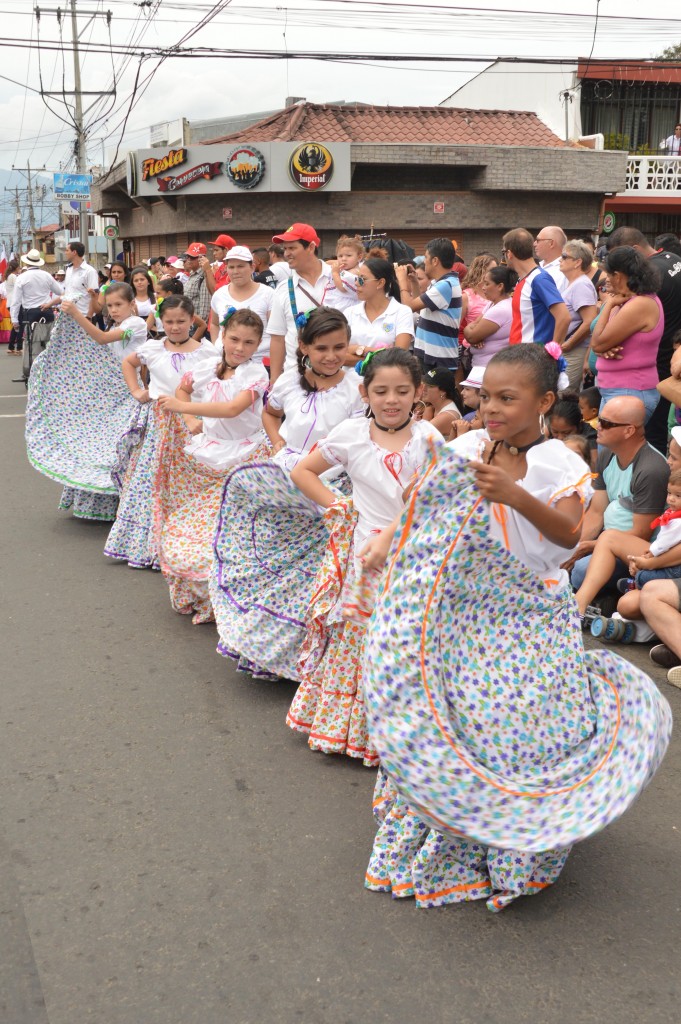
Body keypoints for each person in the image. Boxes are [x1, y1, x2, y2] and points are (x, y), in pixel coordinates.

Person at [359, 343, 671, 912]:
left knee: (522, 724)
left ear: (545, 402)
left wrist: (516, 496)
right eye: (487, 395)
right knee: (460, 716)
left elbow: (567, 535)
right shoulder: (471, 445)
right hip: (469, 609)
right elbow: (423, 499)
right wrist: (387, 539)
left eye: (510, 397)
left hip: (531, 610)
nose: (493, 408)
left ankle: (520, 839)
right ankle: (454, 828)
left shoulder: (561, 463)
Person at [286, 348, 442, 765]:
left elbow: (437, 499)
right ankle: (348, 731)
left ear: (418, 393)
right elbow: (303, 471)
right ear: (365, 393)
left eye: (402, 391)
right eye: (381, 391)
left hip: (415, 556)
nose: (391, 400)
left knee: (406, 643)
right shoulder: (351, 434)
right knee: (361, 640)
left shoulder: (430, 439)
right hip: (364, 554)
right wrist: (339, 507)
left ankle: (400, 736)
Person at [209, 306, 365, 681]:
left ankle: (306, 661)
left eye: (339, 347)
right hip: (284, 488)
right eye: (322, 347)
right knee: (276, 574)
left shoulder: (357, 387)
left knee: (310, 579)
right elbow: (270, 413)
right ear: (306, 347)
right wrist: (279, 443)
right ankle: (264, 652)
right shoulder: (287, 382)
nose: (331, 356)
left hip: (332, 489)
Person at [153, 309, 270, 624]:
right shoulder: (205, 366)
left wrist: (184, 407)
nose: (239, 347)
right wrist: (191, 421)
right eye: (234, 339)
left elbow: (233, 409)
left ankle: (227, 599)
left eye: (249, 342)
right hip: (207, 455)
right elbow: (183, 388)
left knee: (231, 534)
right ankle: (201, 596)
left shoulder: (256, 374)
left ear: (258, 344)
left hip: (245, 456)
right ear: (223, 335)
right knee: (194, 528)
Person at [103, 296, 218, 569]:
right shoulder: (152, 348)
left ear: (192, 321)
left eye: (181, 321)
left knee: (190, 481)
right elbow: (129, 363)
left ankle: (189, 544)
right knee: (153, 481)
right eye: (169, 321)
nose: (175, 327)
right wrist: (136, 391)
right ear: (160, 322)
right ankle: (149, 545)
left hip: (195, 423)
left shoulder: (209, 352)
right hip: (160, 423)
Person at [25, 282, 140, 521]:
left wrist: (76, 314)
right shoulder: (118, 323)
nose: (114, 309)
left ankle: (126, 501)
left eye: (119, 304)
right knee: (104, 443)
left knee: (118, 448)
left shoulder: (135, 324)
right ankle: (104, 502)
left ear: (132, 304)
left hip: (131, 391)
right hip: (116, 390)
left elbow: (100, 339)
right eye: (110, 306)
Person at [563, 396, 669, 593]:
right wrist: (574, 548)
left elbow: (641, 534)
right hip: (606, 540)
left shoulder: (650, 468)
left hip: (639, 552)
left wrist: (588, 547)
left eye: (605, 423)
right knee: (561, 556)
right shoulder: (607, 454)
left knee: (580, 571)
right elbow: (596, 512)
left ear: (629, 430)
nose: (597, 427)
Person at [606, 227, 681, 453]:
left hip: (656, 364)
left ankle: (655, 482)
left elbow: (623, 324)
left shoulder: (648, 278)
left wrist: (607, 342)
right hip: (669, 358)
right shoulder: (674, 259)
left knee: (653, 433)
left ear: (634, 251)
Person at [591, 246, 663, 423]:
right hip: (618, 389)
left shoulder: (640, 303)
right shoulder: (626, 300)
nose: (606, 280)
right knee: (608, 450)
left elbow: (598, 343)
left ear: (619, 276)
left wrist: (608, 304)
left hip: (629, 390)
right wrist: (602, 349)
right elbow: (601, 344)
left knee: (615, 450)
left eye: (608, 275)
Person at [268, 223, 333, 382]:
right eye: (285, 249)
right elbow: (277, 339)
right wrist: (274, 381)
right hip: (297, 378)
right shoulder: (283, 289)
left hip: (338, 378)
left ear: (310, 247)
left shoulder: (339, 281)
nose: (286, 254)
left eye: (292, 248)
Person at [396, 237, 463, 371]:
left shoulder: (445, 285)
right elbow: (420, 309)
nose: (423, 261)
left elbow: (408, 307)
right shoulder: (440, 283)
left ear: (435, 261)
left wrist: (402, 282)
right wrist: (414, 282)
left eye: (426, 257)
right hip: (430, 355)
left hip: (438, 359)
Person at [502, 228, 570, 347]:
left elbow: (564, 317)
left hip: (533, 359)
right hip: (521, 355)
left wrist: (552, 353)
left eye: (503, 252)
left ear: (509, 253)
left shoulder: (539, 279)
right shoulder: (527, 278)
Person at [208, 246, 274, 364]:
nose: (235, 271)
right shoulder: (219, 295)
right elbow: (214, 324)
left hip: (259, 363)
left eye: (240, 266)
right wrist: (217, 345)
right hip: (226, 363)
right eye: (231, 267)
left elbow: (276, 331)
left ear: (252, 267)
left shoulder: (268, 294)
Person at [345, 257, 414, 359]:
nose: (356, 283)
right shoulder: (349, 312)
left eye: (361, 279)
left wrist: (358, 349)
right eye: (356, 278)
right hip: (350, 375)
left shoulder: (402, 312)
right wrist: (376, 352)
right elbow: (340, 355)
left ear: (380, 283)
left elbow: (398, 357)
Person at [559, 239, 599, 391]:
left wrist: (568, 345)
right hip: (569, 348)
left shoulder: (581, 285)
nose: (560, 260)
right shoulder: (573, 283)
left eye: (564, 256)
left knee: (564, 394)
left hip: (574, 349)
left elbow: (589, 322)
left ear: (577, 262)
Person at [462, 264, 516, 370]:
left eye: (487, 284)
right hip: (482, 365)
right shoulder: (492, 303)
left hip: (489, 367)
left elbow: (471, 336)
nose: (483, 287)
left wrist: (472, 332)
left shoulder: (501, 309)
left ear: (500, 286)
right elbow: (473, 327)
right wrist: (473, 331)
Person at [10, 249, 62, 353]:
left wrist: (14, 319)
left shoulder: (21, 277)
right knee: (49, 340)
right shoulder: (47, 275)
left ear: (27, 262)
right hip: (47, 310)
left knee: (31, 341)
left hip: (30, 312)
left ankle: (32, 361)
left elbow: (16, 301)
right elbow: (60, 291)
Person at [548, 391, 597, 466]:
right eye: (555, 432)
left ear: (579, 426)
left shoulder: (590, 435)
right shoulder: (551, 429)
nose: (560, 437)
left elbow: (594, 465)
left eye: (566, 433)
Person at [325, 235, 364, 312]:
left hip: (344, 307)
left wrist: (335, 273)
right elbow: (329, 262)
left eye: (348, 255)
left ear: (359, 257)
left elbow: (342, 288)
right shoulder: (347, 267)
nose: (344, 259)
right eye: (340, 256)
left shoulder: (354, 272)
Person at [422, 367, 461, 435]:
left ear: (443, 391)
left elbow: (417, 436)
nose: (424, 389)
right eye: (424, 384)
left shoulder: (447, 416)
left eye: (429, 386)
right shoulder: (434, 408)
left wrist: (425, 417)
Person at [533, 225, 568, 293]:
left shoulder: (564, 272)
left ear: (551, 243)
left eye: (538, 240)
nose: (534, 244)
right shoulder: (537, 267)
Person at [182, 243, 212, 320]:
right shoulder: (192, 274)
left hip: (196, 326)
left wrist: (197, 329)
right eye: (187, 256)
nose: (188, 260)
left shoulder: (204, 277)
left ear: (202, 258)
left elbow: (204, 313)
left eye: (192, 257)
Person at [4, 259, 20, 353]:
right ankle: (18, 347)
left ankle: (11, 346)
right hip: (14, 303)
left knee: (15, 325)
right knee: (18, 324)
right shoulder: (13, 276)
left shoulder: (8, 276)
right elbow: (19, 286)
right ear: (16, 268)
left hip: (9, 302)